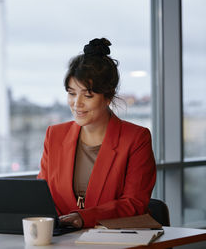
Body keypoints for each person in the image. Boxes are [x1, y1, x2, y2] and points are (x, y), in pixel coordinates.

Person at [37, 38, 156, 229]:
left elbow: (134, 203)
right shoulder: (55, 135)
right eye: (71, 93)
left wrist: (83, 217)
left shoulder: (136, 139)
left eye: (88, 95)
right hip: (65, 241)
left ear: (107, 97)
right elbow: (41, 197)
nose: (77, 103)